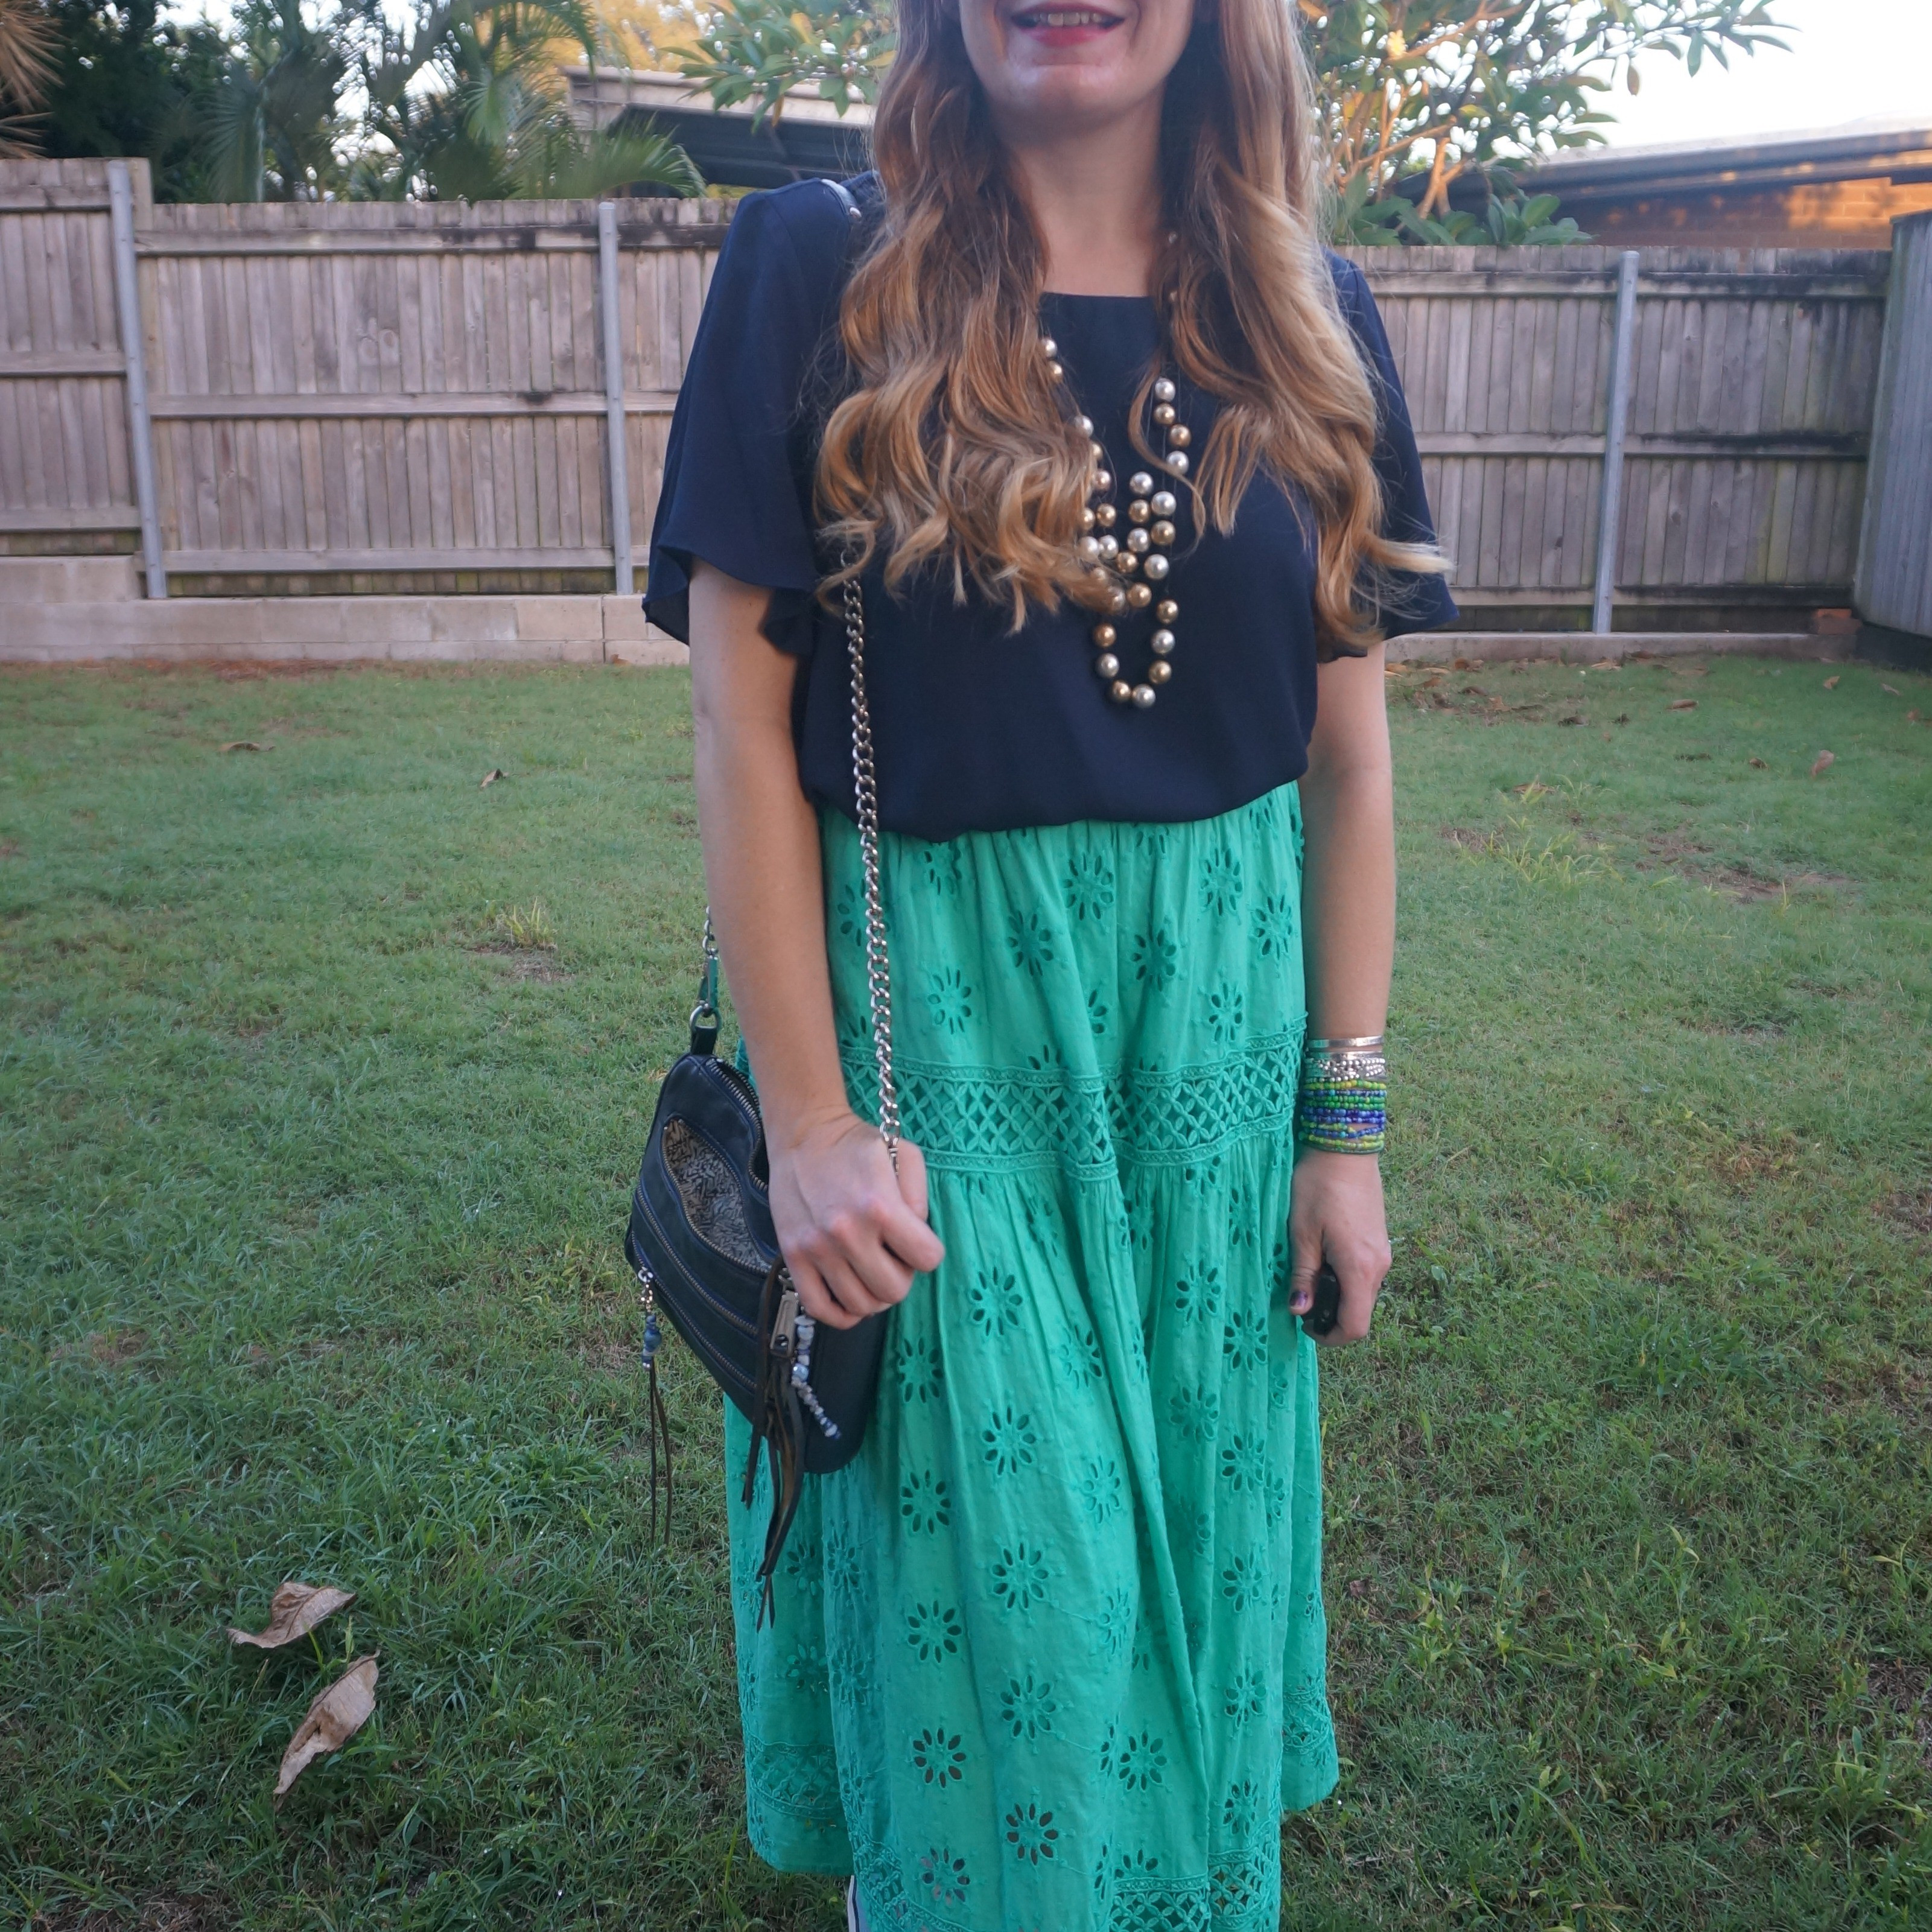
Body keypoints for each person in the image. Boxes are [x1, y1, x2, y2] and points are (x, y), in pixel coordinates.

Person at [644, 0, 1455, 1922]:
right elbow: (735, 730)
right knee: (1006, 1624)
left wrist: (1340, 1133)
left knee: (1179, 1602)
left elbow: (1346, 772)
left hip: (1213, 1082)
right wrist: (813, 1124)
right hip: (936, 1069)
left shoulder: (1311, 318)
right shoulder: (816, 269)